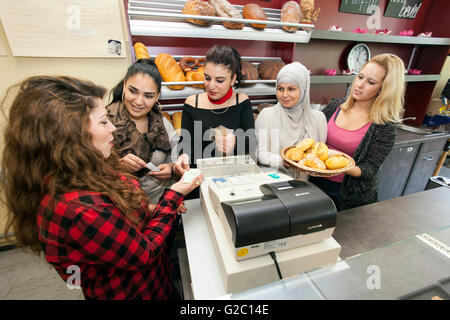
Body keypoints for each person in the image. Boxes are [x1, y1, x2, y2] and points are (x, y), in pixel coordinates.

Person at [1, 76, 202, 300]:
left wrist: (153, 207)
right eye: (104, 121)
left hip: (154, 281)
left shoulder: (85, 167)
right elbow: (142, 253)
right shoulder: (79, 209)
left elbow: (119, 216)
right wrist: (174, 194)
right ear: (71, 133)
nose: (113, 128)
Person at [307, 53, 405, 210]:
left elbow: (369, 169)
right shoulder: (336, 106)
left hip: (347, 195)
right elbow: (314, 139)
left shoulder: (385, 125)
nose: (360, 85)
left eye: (370, 82)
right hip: (314, 184)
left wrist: (336, 165)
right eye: (360, 77)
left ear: (383, 89)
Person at [108, 59, 190, 206]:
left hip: (161, 202)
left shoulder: (162, 123)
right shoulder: (105, 123)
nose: (139, 101)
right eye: (133, 91)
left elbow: (176, 154)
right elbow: (87, 174)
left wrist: (171, 168)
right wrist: (117, 166)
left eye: (148, 96)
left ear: (157, 96)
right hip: (121, 208)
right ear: (125, 85)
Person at [179, 45, 256, 166]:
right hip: (199, 175)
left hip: (233, 174)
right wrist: (183, 156)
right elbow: (185, 143)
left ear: (232, 79)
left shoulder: (241, 101)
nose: (211, 86)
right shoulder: (192, 103)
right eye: (207, 78)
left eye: (219, 80)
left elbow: (251, 142)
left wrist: (236, 141)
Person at [255, 61, 327, 179]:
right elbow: (260, 154)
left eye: (291, 89)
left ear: (303, 89)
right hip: (272, 182)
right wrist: (285, 161)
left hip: (306, 186)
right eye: (280, 89)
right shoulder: (267, 115)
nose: (284, 95)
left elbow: (319, 155)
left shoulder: (318, 119)